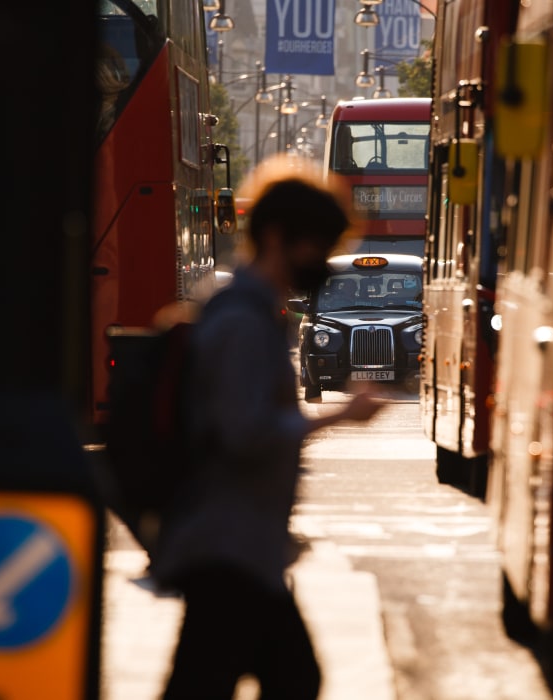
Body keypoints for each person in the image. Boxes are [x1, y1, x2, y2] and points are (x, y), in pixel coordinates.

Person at [158, 156, 385, 699]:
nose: (324, 262)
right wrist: (339, 415)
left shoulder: (253, 312)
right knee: (272, 680)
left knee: (281, 679)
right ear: (278, 238)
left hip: (244, 545)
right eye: (318, 246)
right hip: (227, 546)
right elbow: (244, 430)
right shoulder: (241, 320)